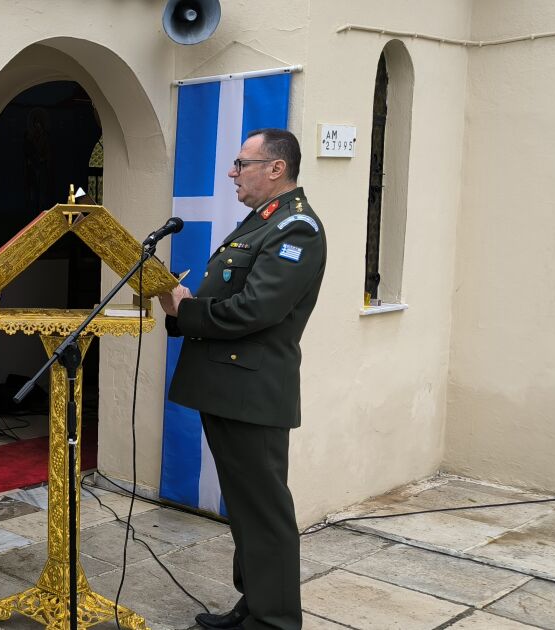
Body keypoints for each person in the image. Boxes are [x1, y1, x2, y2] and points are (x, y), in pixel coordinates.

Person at [160, 128, 327, 630]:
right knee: (246, 507)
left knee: (264, 511)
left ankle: (275, 620)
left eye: (242, 164)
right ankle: (254, 605)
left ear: (276, 168)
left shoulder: (296, 228)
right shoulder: (263, 222)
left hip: (253, 392)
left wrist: (187, 312)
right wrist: (184, 308)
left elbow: (257, 309)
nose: (232, 173)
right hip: (230, 388)